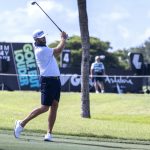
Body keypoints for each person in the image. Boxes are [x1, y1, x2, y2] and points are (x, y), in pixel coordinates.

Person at [14, 29, 67, 141]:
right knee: (44, 108)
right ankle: (21, 123)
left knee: (55, 106)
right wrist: (63, 39)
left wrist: (63, 40)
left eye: (44, 36)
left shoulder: (45, 48)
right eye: (41, 37)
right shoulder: (41, 50)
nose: (44, 38)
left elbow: (56, 52)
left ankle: (49, 134)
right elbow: (58, 50)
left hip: (56, 81)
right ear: (36, 39)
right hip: (47, 81)